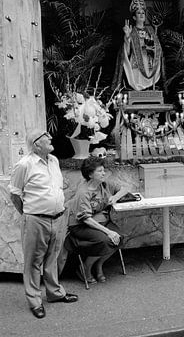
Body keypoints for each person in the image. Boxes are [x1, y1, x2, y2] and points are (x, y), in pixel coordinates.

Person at [8, 129, 78, 319]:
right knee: (33, 262)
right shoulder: (24, 165)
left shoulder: (54, 160)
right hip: (36, 219)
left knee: (52, 258)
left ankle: (55, 294)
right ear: (36, 144)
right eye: (45, 137)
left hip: (58, 217)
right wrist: (29, 214)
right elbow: (14, 194)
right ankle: (35, 301)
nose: (50, 138)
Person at [68, 156, 128, 284]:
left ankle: (99, 264)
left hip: (100, 221)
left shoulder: (104, 184)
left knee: (120, 237)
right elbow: (86, 219)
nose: (103, 173)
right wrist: (108, 231)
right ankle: (85, 267)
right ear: (90, 174)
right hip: (81, 225)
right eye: (100, 171)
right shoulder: (83, 192)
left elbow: (125, 189)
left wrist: (116, 197)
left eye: (103, 170)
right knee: (106, 240)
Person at [112, 0, 163, 91]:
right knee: (136, 80)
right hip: (136, 63)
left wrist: (153, 45)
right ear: (134, 17)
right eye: (139, 13)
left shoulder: (151, 30)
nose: (141, 15)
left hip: (149, 62)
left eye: (143, 13)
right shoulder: (132, 31)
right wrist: (127, 37)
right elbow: (126, 52)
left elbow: (156, 47)